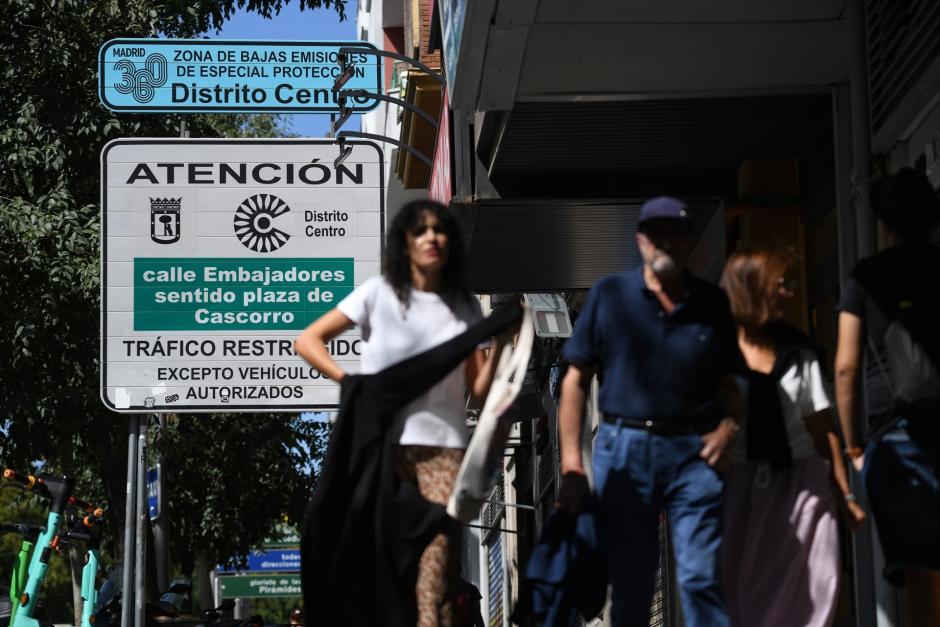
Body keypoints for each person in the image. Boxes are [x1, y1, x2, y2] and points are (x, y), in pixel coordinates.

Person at [295, 200, 510, 627]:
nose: (432, 238)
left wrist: (501, 341)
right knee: (380, 570)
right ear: (404, 244)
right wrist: (353, 386)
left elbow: (481, 391)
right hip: (381, 453)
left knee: (436, 574)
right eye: (420, 231)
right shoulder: (377, 294)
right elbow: (308, 340)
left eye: (440, 231)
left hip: (443, 454)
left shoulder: (464, 306)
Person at [557, 196, 743, 627]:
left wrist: (728, 428)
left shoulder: (712, 303)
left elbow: (730, 383)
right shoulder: (610, 296)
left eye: (674, 233)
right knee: (632, 585)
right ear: (640, 241)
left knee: (700, 579)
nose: (665, 243)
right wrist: (570, 466)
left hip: (694, 453)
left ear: (688, 241)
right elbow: (574, 381)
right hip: (626, 450)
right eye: (655, 234)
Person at [719, 250, 866, 627]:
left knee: (812, 591)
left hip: (802, 485)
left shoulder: (798, 352)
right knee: (745, 595)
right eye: (781, 285)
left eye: (790, 285)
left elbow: (822, 425)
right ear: (751, 288)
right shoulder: (717, 355)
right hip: (740, 487)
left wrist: (844, 492)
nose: (789, 293)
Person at [835, 168, 940, 627]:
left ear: (884, 224)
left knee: (921, 571)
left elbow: (845, 367)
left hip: (894, 434)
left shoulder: (865, 278)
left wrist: (855, 443)